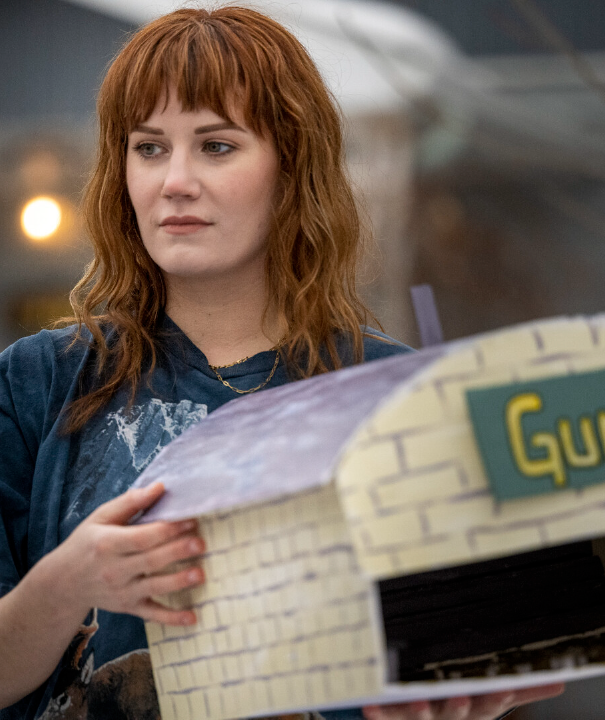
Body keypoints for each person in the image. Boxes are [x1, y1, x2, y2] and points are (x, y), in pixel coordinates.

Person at [0, 6, 563, 720]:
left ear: (291, 167)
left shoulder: (392, 399)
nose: (175, 181)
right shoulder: (35, 386)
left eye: (216, 146)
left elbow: (449, 639)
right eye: (148, 147)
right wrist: (67, 581)